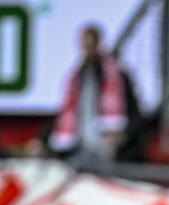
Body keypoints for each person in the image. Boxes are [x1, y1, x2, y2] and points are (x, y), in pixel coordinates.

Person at [49, 24, 134, 164]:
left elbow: (132, 109)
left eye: (91, 44)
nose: (88, 49)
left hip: (106, 147)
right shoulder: (76, 77)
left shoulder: (117, 75)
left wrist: (122, 135)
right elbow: (66, 112)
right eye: (84, 45)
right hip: (80, 145)